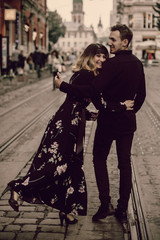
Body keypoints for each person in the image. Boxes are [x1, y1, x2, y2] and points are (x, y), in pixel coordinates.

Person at [5, 43, 109, 226]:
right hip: (66, 126)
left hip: (69, 123)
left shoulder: (90, 74)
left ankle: (66, 210)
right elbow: (84, 93)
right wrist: (63, 86)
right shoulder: (86, 74)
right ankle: (18, 187)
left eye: (104, 57)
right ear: (89, 57)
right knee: (55, 165)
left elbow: (85, 101)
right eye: (97, 56)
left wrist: (100, 112)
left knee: (71, 167)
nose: (101, 60)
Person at [55, 24, 146, 223]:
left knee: (99, 159)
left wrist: (63, 86)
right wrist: (129, 111)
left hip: (107, 122)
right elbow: (142, 96)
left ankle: (105, 204)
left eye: (113, 39)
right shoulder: (138, 64)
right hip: (127, 123)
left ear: (125, 42)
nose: (109, 43)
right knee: (124, 164)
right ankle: (122, 208)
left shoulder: (111, 65)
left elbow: (93, 90)